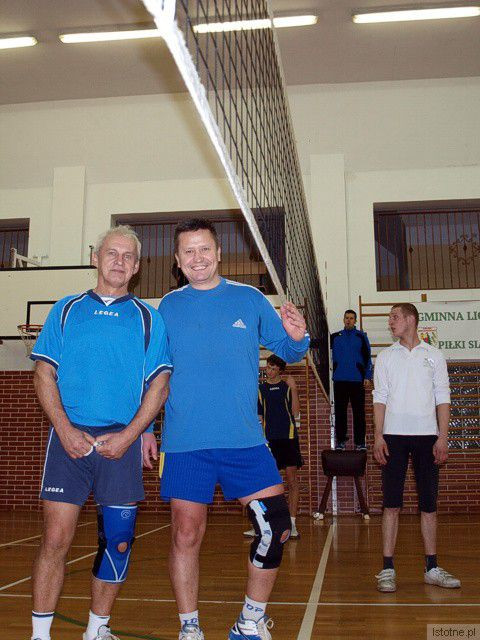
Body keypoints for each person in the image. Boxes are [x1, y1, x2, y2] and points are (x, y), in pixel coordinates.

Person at [142, 218, 309, 640]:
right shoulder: (167, 308)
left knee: (276, 525)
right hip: (185, 442)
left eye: (204, 249)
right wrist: (144, 429)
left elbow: (288, 349)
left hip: (244, 440)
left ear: (218, 253)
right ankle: (190, 627)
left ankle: (250, 621)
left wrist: (297, 336)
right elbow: (153, 373)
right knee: (185, 535)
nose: (197, 258)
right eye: (188, 251)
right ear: (178, 260)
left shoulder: (249, 299)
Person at [29, 226, 172, 640]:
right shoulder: (66, 309)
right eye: (112, 253)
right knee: (55, 539)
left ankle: (97, 629)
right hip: (68, 443)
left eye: (128, 256)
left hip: (121, 445)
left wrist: (130, 436)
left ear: (137, 266)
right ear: (96, 257)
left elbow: (159, 385)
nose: (119, 261)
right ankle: (40, 635)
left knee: (119, 540)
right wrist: (64, 429)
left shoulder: (149, 318)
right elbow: (43, 373)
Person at [373, 303, 460, 593]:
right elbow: (379, 398)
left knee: (429, 505)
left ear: (411, 320)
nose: (390, 322)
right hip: (393, 438)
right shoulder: (385, 357)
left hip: (427, 438)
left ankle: (432, 568)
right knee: (391, 505)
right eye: (390, 318)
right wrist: (378, 436)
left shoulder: (434, 356)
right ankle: (387, 569)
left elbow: (443, 398)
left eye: (395, 317)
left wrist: (443, 437)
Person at [244, 354, 302, 539]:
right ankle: (261, 525)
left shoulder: (287, 387)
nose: (268, 371)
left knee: (292, 481)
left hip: (288, 438)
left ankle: (292, 524)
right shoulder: (261, 389)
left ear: (280, 371)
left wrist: (294, 389)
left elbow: (295, 412)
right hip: (269, 440)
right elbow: (259, 417)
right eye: (268, 367)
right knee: (264, 484)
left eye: (273, 368)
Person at [331, 309, 372, 450]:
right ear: (343, 320)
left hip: (357, 380)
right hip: (339, 380)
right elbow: (320, 347)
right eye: (346, 318)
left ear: (355, 321)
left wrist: (367, 376)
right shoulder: (335, 337)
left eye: (351, 318)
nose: (348, 320)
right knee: (340, 412)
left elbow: (367, 357)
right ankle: (341, 442)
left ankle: (360, 443)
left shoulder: (361, 336)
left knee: (359, 413)